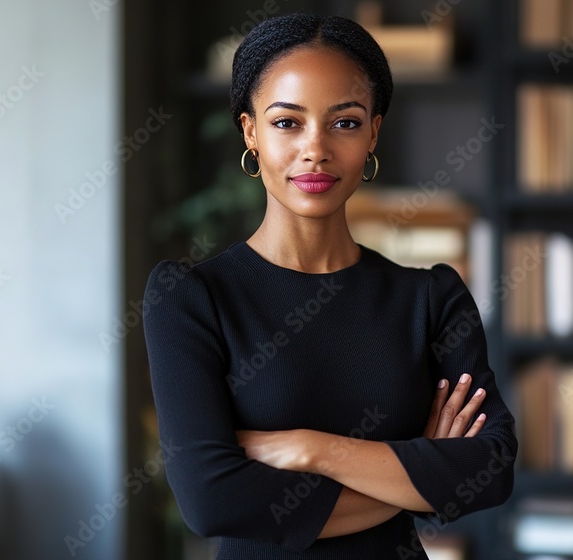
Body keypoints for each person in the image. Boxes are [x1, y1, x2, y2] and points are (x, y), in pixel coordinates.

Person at [142, 13, 517, 559]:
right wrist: (418, 470)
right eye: (287, 123)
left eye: (344, 122)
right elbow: (213, 502)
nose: (314, 149)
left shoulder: (430, 299)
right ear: (250, 131)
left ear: (373, 133)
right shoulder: (192, 298)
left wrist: (311, 449)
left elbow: (491, 469)